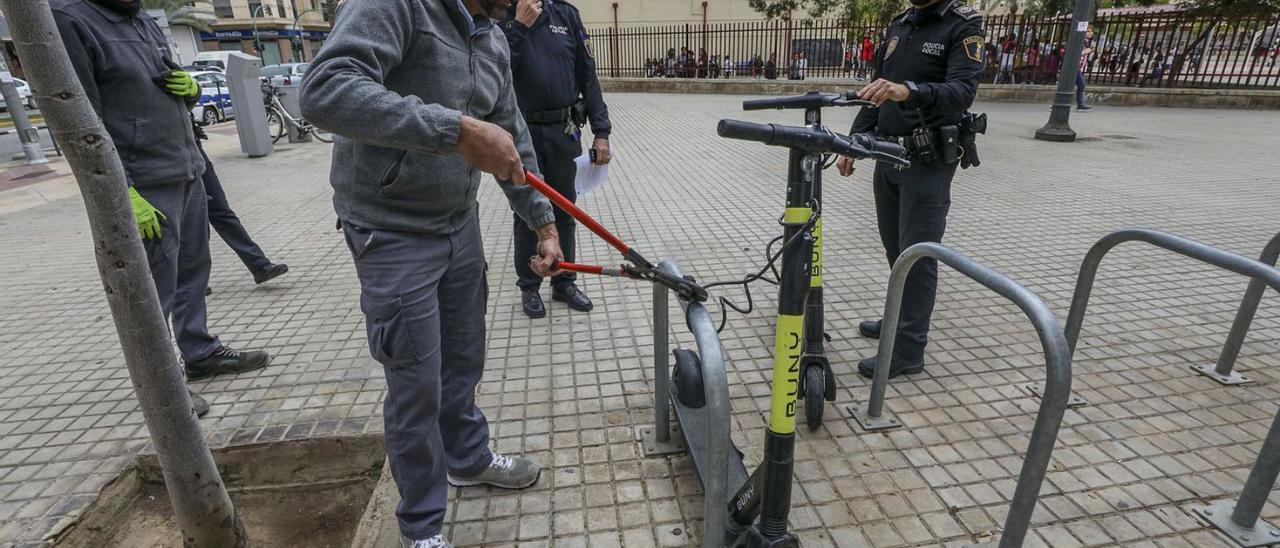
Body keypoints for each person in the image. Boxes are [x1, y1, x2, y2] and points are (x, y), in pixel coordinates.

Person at [301, 0, 565, 544]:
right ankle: (421, 527)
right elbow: (325, 90)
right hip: (390, 227)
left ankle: (466, 458)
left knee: (463, 357)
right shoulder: (396, 6)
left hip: (456, 222)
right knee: (416, 384)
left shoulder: (491, 36)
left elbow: (511, 132)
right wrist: (454, 130)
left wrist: (543, 224)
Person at [52, 0, 272, 418]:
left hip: (185, 166)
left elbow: (160, 86)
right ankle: (163, 386)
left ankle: (201, 353)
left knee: (193, 269)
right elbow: (80, 120)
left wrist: (190, 92)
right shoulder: (71, 20)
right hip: (144, 182)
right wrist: (120, 192)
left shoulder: (141, 20)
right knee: (156, 289)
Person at [834, 0, 984, 379]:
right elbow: (877, 92)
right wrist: (854, 141)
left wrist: (909, 91)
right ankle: (898, 319)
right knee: (895, 248)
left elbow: (962, 92)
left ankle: (908, 349)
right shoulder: (901, 23)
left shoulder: (961, 26)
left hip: (928, 160)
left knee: (917, 255)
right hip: (888, 154)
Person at [503, 0, 613, 318]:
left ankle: (564, 281)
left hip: (563, 131)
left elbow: (587, 76)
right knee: (528, 212)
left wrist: (601, 131)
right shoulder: (501, 16)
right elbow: (494, 69)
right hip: (521, 133)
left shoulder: (565, 14)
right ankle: (530, 285)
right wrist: (520, 27)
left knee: (565, 208)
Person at [192, 120, 291, 285]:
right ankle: (194, 282)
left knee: (221, 210)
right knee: (192, 219)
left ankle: (259, 266)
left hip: (193, 148)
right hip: (168, 156)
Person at [1076, 27, 1094, 111]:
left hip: (1080, 67)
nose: (1090, 33)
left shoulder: (1086, 42)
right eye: (1088, 31)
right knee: (1081, 85)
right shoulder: (1080, 41)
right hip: (1076, 67)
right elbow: (1077, 53)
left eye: (1091, 31)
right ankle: (1080, 104)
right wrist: (1088, 50)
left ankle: (1080, 104)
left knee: (1079, 85)